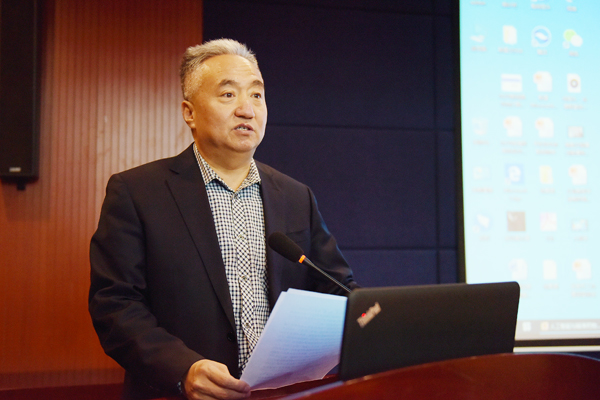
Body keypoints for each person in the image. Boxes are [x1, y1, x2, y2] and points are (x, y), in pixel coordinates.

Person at [89, 39, 358, 400]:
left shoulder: (296, 196)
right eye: (228, 95)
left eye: (257, 95)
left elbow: (337, 289)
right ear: (189, 112)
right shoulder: (137, 192)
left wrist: (376, 319)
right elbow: (115, 305)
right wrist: (183, 369)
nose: (247, 110)